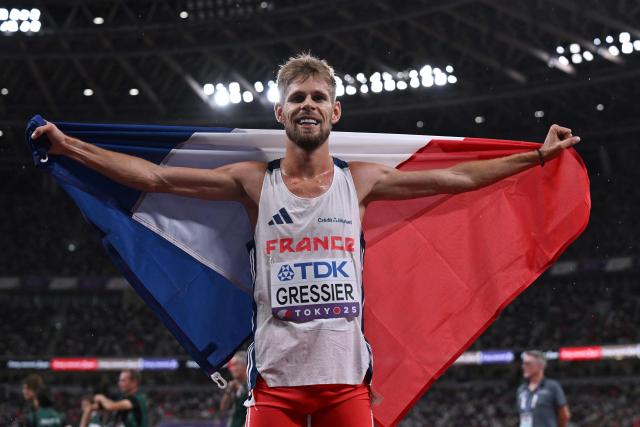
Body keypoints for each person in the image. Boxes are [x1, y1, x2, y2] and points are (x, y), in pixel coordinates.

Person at [31, 53, 581, 426]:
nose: (309, 105)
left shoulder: (359, 180)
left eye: (319, 97)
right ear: (281, 112)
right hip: (275, 384)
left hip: (344, 382)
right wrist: (68, 146)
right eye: (297, 98)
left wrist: (535, 157)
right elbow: (153, 179)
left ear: (335, 111)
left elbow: (458, 178)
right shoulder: (253, 181)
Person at [517, 350, 571, 427]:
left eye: (527, 364)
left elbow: (564, 415)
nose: (523, 366)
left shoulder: (552, 387)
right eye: (523, 363)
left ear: (540, 366)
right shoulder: (521, 389)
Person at [219, 351, 249, 427]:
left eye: (235, 365)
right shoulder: (234, 386)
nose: (232, 369)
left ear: (245, 365)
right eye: (230, 366)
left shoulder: (253, 384)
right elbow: (223, 408)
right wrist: (229, 391)